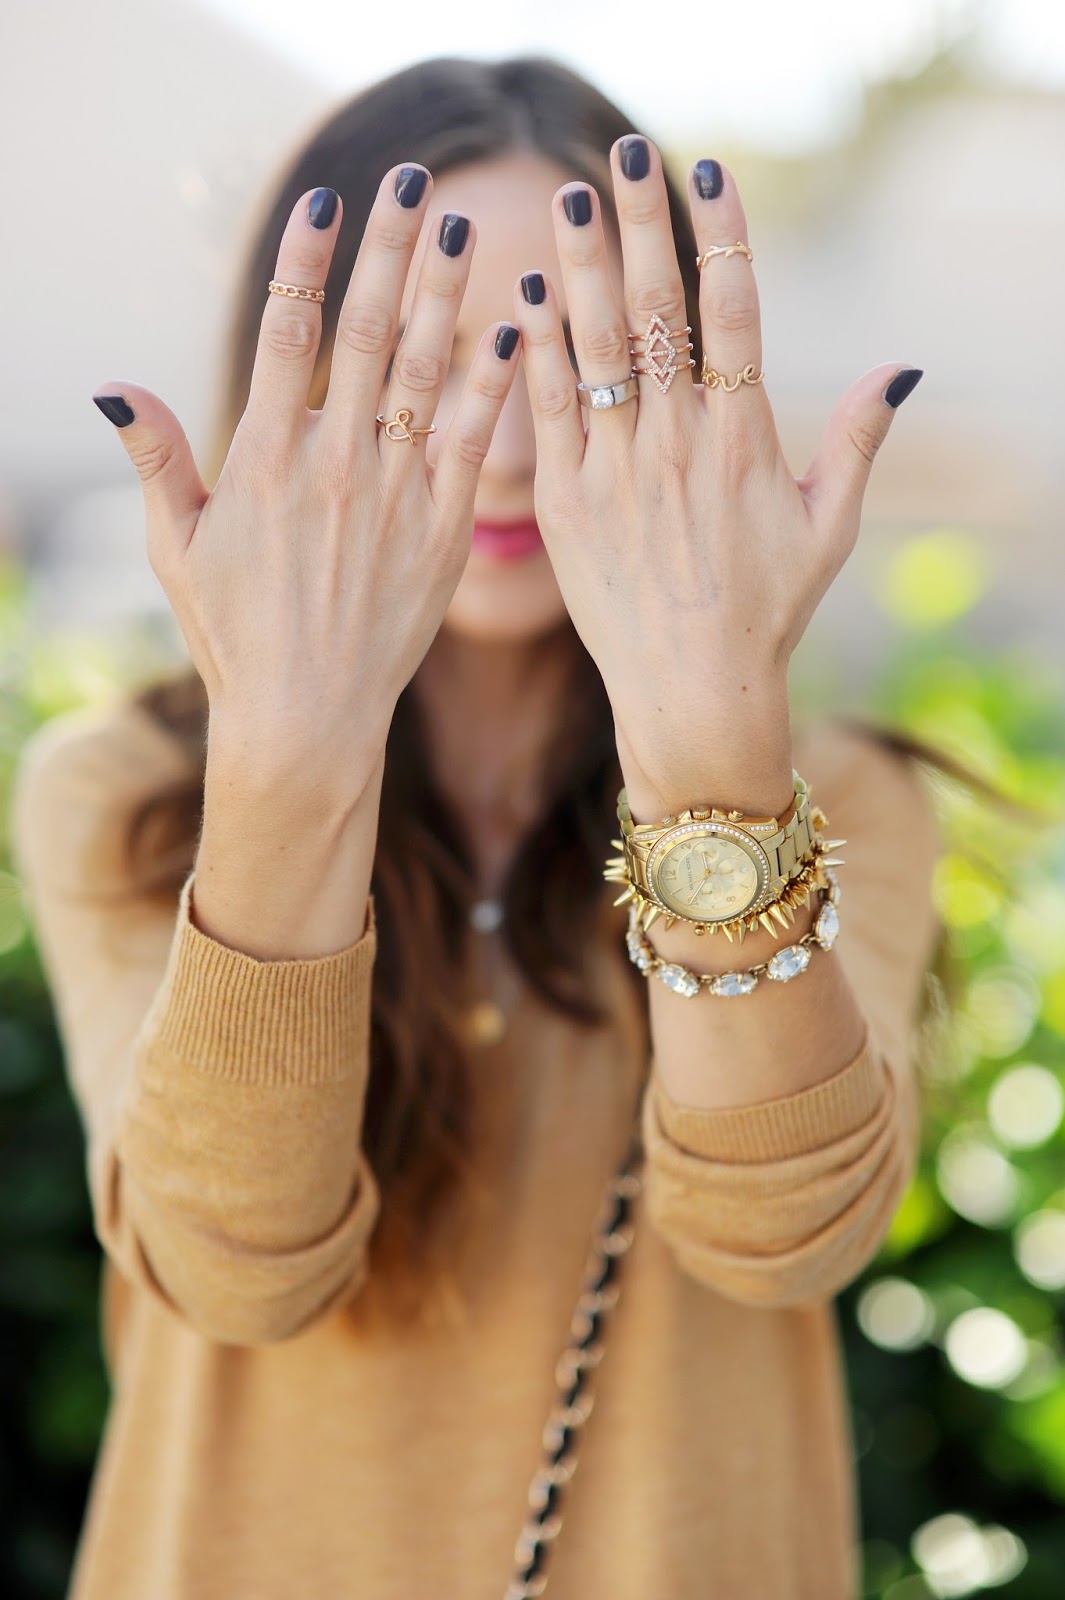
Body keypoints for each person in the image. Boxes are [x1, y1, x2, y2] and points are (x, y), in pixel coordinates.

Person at [10, 55, 940, 1600]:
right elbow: (232, 1272)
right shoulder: (118, 793)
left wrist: (707, 739)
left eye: (572, 353)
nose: (503, 439)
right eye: (430, 353)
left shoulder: (839, 796)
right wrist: (296, 736)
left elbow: (782, 1236)